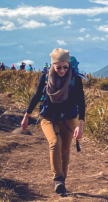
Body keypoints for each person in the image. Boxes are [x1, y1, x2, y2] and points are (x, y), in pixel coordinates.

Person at [21, 48, 85, 195]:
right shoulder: (45, 77)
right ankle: (57, 178)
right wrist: (26, 115)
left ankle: (62, 183)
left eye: (65, 67)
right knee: (55, 142)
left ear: (69, 65)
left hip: (68, 118)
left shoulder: (75, 79)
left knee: (65, 150)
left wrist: (80, 125)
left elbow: (81, 102)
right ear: (53, 66)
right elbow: (37, 95)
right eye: (58, 67)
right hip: (48, 117)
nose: (62, 70)